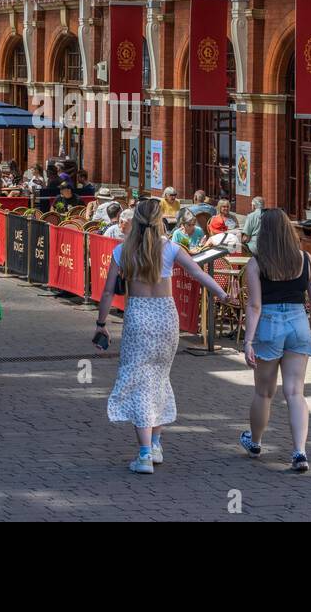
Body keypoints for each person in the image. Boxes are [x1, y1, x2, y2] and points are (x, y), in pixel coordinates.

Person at [93, 198, 227, 473]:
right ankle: (155, 443)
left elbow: (108, 291)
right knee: (159, 378)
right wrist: (222, 293)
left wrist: (101, 323)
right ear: (159, 221)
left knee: (140, 380)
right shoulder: (171, 248)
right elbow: (197, 273)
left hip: (139, 316)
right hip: (166, 316)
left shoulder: (123, 251)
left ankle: (144, 454)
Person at [241, 209, 311, 472]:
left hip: (268, 323)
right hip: (299, 322)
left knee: (264, 392)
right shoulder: (306, 259)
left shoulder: (255, 264)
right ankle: (299, 451)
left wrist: (248, 341)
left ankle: (255, 442)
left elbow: (254, 306)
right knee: (295, 392)